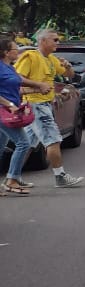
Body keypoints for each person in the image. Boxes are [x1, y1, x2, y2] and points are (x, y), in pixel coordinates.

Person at [14, 29, 81, 187]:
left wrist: (68, 66)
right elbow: (16, 78)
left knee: (27, 144)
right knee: (53, 140)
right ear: (43, 41)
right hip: (35, 105)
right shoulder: (30, 57)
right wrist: (38, 86)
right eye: (55, 40)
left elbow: (69, 75)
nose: (58, 43)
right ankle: (60, 177)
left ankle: (12, 177)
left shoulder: (51, 59)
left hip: (44, 104)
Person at [1, 38, 35, 194]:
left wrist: (36, 89)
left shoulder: (10, 68)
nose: (18, 51)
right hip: (3, 111)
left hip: (10, 111)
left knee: (1, 146)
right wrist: (9, 104)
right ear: (6, 53)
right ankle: (12, 180)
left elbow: (16, 87)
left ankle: (12, 179)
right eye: (15, 49)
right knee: (23, 143)